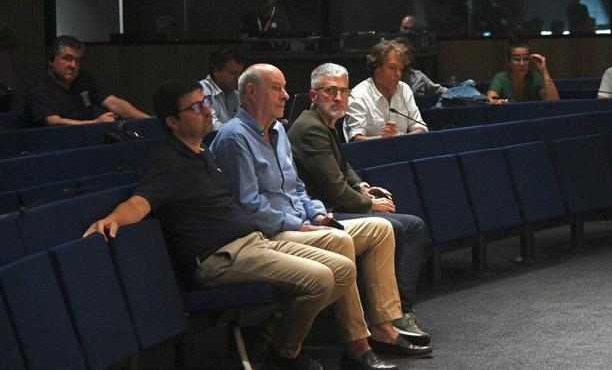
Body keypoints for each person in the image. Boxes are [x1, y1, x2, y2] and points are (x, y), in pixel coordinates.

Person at [83, 79, 389, 370]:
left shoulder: (202, 153)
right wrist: (112, 218)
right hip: (219, 257)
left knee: (343, 268)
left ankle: (269, 339)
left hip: (251, 243)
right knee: (321, 277)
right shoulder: (168, 162)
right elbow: (140, 202)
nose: (206, 110)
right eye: (195, 107)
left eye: (204, 103)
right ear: (172, 122)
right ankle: (283, 354)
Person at [210, 64, 432, 361]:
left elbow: (297, 187)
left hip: (301, 222)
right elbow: (249, 206)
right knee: (341, 241)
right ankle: (357, 345)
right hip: (270, 232)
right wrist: (301, 225)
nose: (286, 95)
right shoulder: (233, 138)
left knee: (381, 229)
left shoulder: (277, 130)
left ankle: (383, 326)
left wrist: (316, 215)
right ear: (251, 92)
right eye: (277, 88)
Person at [290, 63, 431, 344]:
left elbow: (345, 168)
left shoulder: (323, 123)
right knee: (401, 227)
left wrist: (364, 187)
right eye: (331, 90)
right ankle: (393, 314)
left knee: (410, 225)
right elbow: (335, 189)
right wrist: (370, 205)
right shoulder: (309, 128)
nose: (339, 97)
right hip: (322, 214)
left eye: (344, 90)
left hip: (334, 204)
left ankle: (396, 312)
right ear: (313, 95)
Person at [24, 35, 149, 126]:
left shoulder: (83, 78)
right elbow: (55, 122)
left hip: (86, 139)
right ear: (51, 60)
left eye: (77, 60)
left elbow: (114, 103)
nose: (73, 65)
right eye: (67, 58)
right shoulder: (39, 88)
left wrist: (149, 120)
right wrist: (94, 123)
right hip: (53, 146)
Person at [346, 39, 427, 140]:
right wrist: (384, 139)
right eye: (392, 67)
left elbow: (420, 128)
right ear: (375, 67)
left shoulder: (404, 89)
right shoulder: (359, 94)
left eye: (400, 69)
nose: (398, 74)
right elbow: (355, 138)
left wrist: (400, 137)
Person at [486, 39, 560, 103]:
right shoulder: (500, 78)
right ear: (508, 62)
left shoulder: (535, 77)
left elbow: (554, 102)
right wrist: (495, 101)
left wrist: (544, 71)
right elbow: (490, 99)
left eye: (526, 58)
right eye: (517, 59)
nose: (522, 63)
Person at [199, 47, 245, 128]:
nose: (238, 78)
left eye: (240, 73)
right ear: (216, 71)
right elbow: (212, 127)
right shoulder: (201, 91)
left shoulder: (237, 95)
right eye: (233, 73)